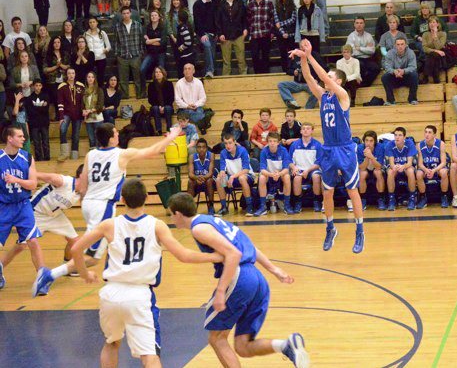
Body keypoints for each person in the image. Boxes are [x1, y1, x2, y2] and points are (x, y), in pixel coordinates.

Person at [63, 179, 223, 366]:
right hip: (139, 296)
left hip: (111, 293)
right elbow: (184, 255)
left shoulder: (109, 225)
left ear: (122, 199)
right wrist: (215, 257)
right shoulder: (156, 225)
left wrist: (85, 274)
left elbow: (76, 249)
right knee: (149, 355)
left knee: (111, 343)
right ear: (147, 198)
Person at [167, 192, 309, 367]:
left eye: (171, 214)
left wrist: (220, 291)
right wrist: (273, 269)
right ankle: (286, 346)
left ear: (178, 214)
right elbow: (249, 246)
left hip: (240, 277)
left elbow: (234, 254)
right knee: (243, 346)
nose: (172, 219)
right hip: (256, 279)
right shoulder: (212, 220)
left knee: (217, 338)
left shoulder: (199, 228)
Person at [36, 125, 183, 288]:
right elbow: (152, 151)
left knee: (113, 238)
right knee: (92, 258)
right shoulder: (121, 154)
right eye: (116, 132)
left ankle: (122, 270)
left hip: (88, 204)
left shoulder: (90, 154)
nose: (118, 133)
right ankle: (49, 275)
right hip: (103, 206)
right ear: (111, 138)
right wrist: (172, 136)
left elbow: (82, 186)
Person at [290, 39, 366, 254]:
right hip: (329, 149)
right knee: (327, 193)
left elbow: (321, 76)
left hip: (344, 148)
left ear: (338, 81)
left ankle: (359, 230)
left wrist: (310, 54)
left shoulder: (343, 96)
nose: (326, 80)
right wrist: (303, 59)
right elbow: (309, 78)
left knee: (352, 191)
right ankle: (330, 228)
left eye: (331, 77)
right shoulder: (323, 97)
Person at [0, 126, 44, 292]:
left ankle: (42, 279)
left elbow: (33, 184)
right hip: (3, 206)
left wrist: (16, 180)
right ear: (10, 139)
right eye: (19, 136)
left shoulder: (27, 157)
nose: (23, 138)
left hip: (23, 205)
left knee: (32, 241)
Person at [30, 166, 84, 269]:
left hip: (55, 216)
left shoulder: (80, 192)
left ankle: (66, 266)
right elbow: (36, 175)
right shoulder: (63, 181)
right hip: (36, 213)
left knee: (75, 241)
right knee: (21, 246)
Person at [278, 41, 327, 110]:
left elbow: (324, 69)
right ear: (300, 47)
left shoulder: (315, 55)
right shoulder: (295, 55)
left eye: (306, 45)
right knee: (281, 84)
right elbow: (288, 70)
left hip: (310, 84)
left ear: (310, 46)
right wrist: (293, 72)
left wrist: (317, 80)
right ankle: (292, 102)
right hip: (297, 83)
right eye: (302, 46)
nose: (304, 48)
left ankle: (308, 108)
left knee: (317, 91)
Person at [215, 133, 255, 217]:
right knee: (219, 179)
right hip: (231, 178)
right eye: (225, 143)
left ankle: (249, 206)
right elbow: (223, 169)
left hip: (247, 176)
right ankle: (224, 207)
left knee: (241, 178)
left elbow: (246, 170)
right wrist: (222, 173)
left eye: (230, 143)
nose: (228, 145)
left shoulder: (242, 151)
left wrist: (233, 176)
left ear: (235, 142)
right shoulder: (223, 153)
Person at [254, 132, 294, 216]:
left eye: (274, 141)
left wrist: (279, 174)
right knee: (261, 178)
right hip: (269, 174)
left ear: (278, 142)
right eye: (270, 141)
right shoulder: (264, 151)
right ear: (267, 142)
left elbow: (286, 169)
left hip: (281, 173)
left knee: (287, 177)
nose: (272, 143)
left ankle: (287, 205)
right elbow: (262, 169)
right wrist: (272, 175)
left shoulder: (283, 151)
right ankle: (263, 206)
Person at [288, 121, 322, 213]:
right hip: (299, 168)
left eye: (308, 129)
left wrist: (308, 170)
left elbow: (319, 162)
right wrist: (294, 168)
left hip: (312, 169)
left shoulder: (318, 145)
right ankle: (298, 203)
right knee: (297, 179)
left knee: (316, 177)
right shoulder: (294, 145)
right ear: (301, 131)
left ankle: (316, 201)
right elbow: (289, 160)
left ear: (312, 131)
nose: (305, 131)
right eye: (303, 129)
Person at [216, 0, 248, 75]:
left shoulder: (240, 3)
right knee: (226, 61)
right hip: (225, 36)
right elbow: (217, 21)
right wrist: (220, 33)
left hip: (238, 34)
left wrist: (245, 28)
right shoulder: (221, 4)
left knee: (241, 59)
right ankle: (225, 79)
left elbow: (244, 18)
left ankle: (244, 76)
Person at [114, 6, 145, 99]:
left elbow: (141, 39)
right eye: (124, 13)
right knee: (123, 80)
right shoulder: (117, 26)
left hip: (136, 55)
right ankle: (125, 97)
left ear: (130, 14)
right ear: (121, 15)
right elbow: (116, 41)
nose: (126, 15)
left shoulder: (137, 24)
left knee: (138, 78)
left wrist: (141, 53)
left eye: (127, 13)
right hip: (123, 56)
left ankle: (140, 96)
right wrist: (117, 55)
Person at [385, 127, 419, 211]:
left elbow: (409, 163)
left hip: (406, 166)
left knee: (410, 171)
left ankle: (412, 198)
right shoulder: (390, 144)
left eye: (400, 135)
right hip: (396, 167)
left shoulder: (409, 143)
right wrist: (395, 167)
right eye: (395, 135)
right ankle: (391, 199)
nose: (397, 137)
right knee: (390, 172)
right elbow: (391, 163)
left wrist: (403, 166)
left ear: (404, 137)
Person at [416, 125, 449, 208]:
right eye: (426, 132)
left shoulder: (441, 144)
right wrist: (426, 170)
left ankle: (444, 196)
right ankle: (423, 197)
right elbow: (420, 163)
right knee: (418, 174)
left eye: (429, 132)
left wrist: (434, 170)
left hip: (437, 168)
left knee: (444, 172)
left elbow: (443, 162)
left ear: (434, 135)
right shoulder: (420, 145)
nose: (427, 134)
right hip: (426, 168)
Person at [381, 37, 419, 105]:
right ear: (395, 45)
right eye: (398, 44)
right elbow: (387, 67)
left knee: (415, 75)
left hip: (407, 77)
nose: (400, 46)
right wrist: (394, 71)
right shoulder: (390, 53)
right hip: (395, 77)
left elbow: (413, 67)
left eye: (402, 44)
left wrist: (403, 71)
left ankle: (412, 99)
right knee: (384, 77)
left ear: (406, 45)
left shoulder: (410, 52)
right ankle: (390, 100)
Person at [57, 68, 85, 161]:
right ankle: (64, 153)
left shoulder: (81, 86)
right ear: (66, 75)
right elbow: (60, 103)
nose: (71, 75)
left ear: (75, 74)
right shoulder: (62, 86)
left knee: (76, 135)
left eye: (73, 73)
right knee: (62, 129)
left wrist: (84, 113)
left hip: (78, 114)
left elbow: (83, 102)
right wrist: (61, 117)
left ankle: (74, 156)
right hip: (66, 114)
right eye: (69, 73)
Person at [193, 0, 219, 77]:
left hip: (213, 34)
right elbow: (197, 21)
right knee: (207, 46)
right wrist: (202, 34)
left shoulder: (214, 3)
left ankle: (210, 72)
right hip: (202, 34)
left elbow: (216, 19)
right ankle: (209, 71)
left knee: (212, 54)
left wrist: (216, 33)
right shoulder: (197, 4)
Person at [345, 16, 379, 87]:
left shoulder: (368, 36)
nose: (359, 25)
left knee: (376, 68)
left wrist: (359, 48)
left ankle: (365, 84)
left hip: (368, 58)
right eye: (357, 23)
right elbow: (350, 52)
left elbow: (372, 50)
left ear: (364, 24)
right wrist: (366, 49)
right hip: (355, 59)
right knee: (360, 65)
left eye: (361, 23)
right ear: (354, 24)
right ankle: (360, 84)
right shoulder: (351, 37)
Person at [246, 0, 275, 75]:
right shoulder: (250, 4)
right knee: (254, 55)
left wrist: (272, 31)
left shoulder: (269, 3)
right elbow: (247, 19)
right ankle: (257, 73)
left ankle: (265, 74)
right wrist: (249, 31)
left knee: (265, 55)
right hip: (254, 34)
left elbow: (272, 18)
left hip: (265, 33)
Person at [357, 130, 386, 210]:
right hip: (365, 168)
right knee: (362, 174)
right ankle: (362, 199)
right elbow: (362, 167)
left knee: (378, 173)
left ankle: (381, 198)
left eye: (371, 141)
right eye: (366, 140)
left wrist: (371, 157)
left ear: (375, 142)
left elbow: (379, 167)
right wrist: (367, 157)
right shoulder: (360, 148)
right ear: (364, 141)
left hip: (376, 168)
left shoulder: (380, 147)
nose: (368, 143)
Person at [23, 79, 51, 161]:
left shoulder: (46, 96)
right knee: (36, 142)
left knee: (45, 141)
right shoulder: (29, 98)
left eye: (39, 85)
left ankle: (47, 158)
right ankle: (39, 158)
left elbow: (46, 110)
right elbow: (30, 111)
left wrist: (36, 107)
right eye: (36, 85)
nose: (38, 87)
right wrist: (41, 106)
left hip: (44, 122)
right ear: (33, 86)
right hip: (34, 123)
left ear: (41, 86)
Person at [140, 10, 167, 91]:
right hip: (150, 53)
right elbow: (145, 41)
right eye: (152, 15)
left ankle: (162, 89)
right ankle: (143, 90)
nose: (153, 17)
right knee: (142, 69)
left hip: (160, 53)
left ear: (159, 17)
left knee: (161, 72)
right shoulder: (147, 27)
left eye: (155, 15)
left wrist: (150, 41)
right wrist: (156, 39)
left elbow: (162, 42)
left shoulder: (163, 27)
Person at [188, 138, 216, 215]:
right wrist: (197, 178)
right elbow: (190, 174)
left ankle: (211, 205)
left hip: (207, 180)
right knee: (190, 181)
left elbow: (210, 173)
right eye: (199, 147)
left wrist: (202, 178)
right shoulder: (192, 157)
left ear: (206, 148)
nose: (201, 149)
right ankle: (190, 207)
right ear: (196, 148)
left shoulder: (211, 155)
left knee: (209, 180)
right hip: (197, 181)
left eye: (203, 147)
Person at [43, 37, 70, 115]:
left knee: (65, 98)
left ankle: (66, 114)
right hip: (52, 80)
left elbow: (69, 67)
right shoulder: (48, 54)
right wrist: (56, 67)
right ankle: (58, 115)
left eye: (58, 42)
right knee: (56, 98)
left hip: (64, 79)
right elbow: (45, 69)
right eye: (55, 42)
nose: (57, 44)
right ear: (52, 44)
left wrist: (60, 65)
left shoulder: (65, 54)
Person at [174, 63, 207, 127]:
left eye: (189, 69)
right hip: (184, 108)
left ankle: (195, 126)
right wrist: (187, 106)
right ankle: (201, 126)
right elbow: (177, 100)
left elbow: (203, 98)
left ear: (193, 71)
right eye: (185, 69)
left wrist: (195, 105)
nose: (187, 71)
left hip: (196, 107)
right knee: (194, 115)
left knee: (198, 113)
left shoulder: (198, 82)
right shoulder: (179, 83)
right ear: (183, 72)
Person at [274, 0, 298, 73]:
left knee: (292, 53)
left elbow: (293, 19)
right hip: (281, 34)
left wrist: (282, 24)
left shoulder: (292, 6)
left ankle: (292, 69)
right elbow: (276, 22)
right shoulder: (276, 6)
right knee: (283, 53)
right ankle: (285, 70)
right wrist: (283, 32)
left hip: (291, 34)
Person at [84, 17, 111, 86]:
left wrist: (106, 50)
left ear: (97, 23)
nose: (92, 24)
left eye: (93, 22)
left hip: (101, 58)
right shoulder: (85, 34)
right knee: (90, 77)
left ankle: (100, 92)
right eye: (90, 22)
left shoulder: (102, 33)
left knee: (100, 77)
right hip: (90, 59)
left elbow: (108, 46)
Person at [148, 66, 175, 134]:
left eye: (160, 72)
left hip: (167, 106)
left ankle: (169, 129)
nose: (158, 73)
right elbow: (150, 99)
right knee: (155, 108)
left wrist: (163, 107)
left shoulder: (169, 84)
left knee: (168, 108)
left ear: (163, 73)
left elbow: (171, 98)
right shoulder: (151, 85)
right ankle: (158, 130)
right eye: (156, 72)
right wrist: (159, 106)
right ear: (154, 74)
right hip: (156, 107)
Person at [421, 16, 447, 84]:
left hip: (441, 55)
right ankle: (436, 78)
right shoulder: (425, 34)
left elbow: (438, 47)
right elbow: (424, 48)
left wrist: (435, 35)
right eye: (430, 22)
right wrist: (436, 51)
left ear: (437, 24)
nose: (432, 24)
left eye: (433, 22)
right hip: (428, 55)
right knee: (433, 56)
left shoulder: (442, 34)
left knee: (433, 56)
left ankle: (426, 76)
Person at [83, 71, 104, 150]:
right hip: (88, 118)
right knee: (91, 140)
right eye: (89, 77)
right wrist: (83, 111)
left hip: (97, 118)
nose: (90, 79)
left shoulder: (99, 90)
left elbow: (100, 105)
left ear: (94, 79)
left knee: (98, 139)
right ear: (86, 79)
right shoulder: (84, 91)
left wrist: (91, 111)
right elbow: (83, 104)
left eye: (92, 77)